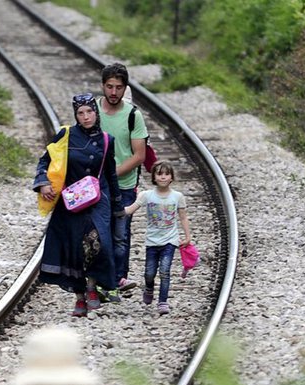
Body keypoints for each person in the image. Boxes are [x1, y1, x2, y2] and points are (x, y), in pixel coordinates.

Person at [33, 93, 120, 317]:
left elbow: (111, 174)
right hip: (70, 200)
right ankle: (80, 296)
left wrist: (118, 205)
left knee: (96, 241)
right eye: (80, 113)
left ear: (96, 112)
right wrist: (43, 183)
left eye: (89, 112)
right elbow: (45, 160)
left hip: (98, 200)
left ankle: (92, 287)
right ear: (76, 115)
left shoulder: (107, 140)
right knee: (73, 248)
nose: (86, 117)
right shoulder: (65, 135)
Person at [99, 63, 149, 297]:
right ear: (103, 86)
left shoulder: (133, 115)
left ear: (125, 88)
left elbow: (140, 155)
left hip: (124, 185)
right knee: (98, 232)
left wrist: (112, 173)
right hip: (96, 185)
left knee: (120, 234)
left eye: (119, 87)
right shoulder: (92, 111)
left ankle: (119, 278)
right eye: (109, 86)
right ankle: (100, 278)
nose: (114, 92)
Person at [125, 161, 192, 314]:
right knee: (149, 272)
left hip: (170, 240)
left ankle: (163, 301)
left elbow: (183, 217)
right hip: (152, 241)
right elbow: (130, 209)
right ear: (154, 177)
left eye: (166, 174)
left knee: (165, 271)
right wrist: (114, 209)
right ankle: (149, 288)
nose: (163, 177)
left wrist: (187, 237)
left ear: (171, 177)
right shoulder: (146, 195)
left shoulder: (177, 197)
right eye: (159, 174)